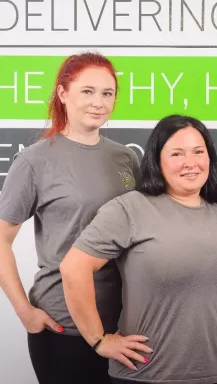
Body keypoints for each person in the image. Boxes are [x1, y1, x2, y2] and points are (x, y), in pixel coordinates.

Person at [60, 114, 217, 384]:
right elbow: (73, 267)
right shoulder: (129, 208)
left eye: (198, 151)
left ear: (210, 158)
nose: (190, 163)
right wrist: (99, 340)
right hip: (148, 375)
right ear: (157, 160)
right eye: (176, 154)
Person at [0, 52, 140, 384]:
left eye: (108, 93)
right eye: (87, 91)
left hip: (126, 323)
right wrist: (24, 312)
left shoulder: (126, 157)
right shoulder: (34, 161)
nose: (99, 102)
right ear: (63, 93)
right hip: (64, 327)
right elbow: (1, 240)